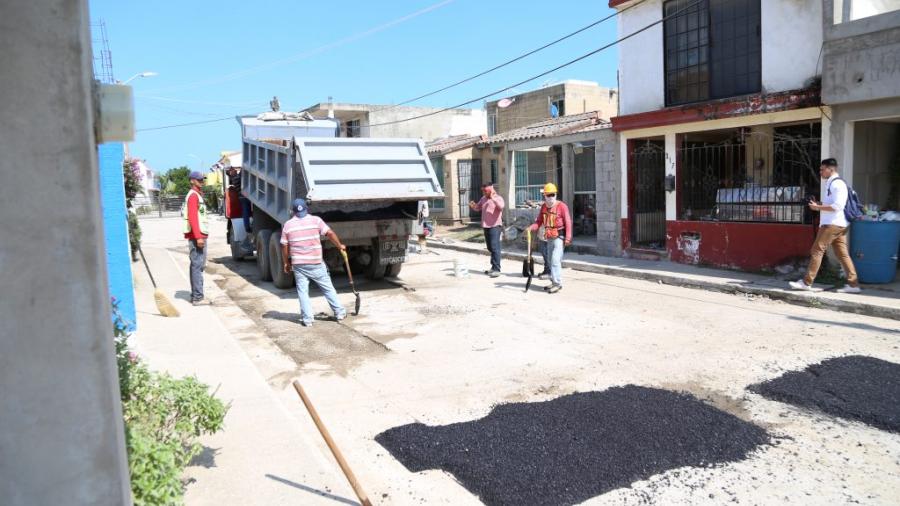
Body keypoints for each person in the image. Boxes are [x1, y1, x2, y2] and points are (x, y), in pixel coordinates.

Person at [789, 158, 861, 293]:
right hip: (838, 224)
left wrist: (818, 208)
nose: (820, 172)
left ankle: (806, 282)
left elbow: (837, 206)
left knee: (817, 250)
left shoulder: (837, 184)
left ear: (831, 169)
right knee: (842, 255)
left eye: (823, 169)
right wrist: (818, 203)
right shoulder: (831, 183)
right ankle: (853, 285)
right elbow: (832, 203)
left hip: (832, 224)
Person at [280, 198, 347, 326]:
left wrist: (286, 262)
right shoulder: (316, 220)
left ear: (293, 212)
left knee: (303, 292)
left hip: (299, 264)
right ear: (306, 209)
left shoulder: (288, 225)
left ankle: (307, 319)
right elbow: (330, 233)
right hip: (316, 262)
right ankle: (339, 312)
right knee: (327, 288)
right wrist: (340, 246)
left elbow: (284, 245)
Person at [528, 183, 572, 294]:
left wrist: (568, 238)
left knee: (555, 260)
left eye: (553, 194)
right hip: (549, 237)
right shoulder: (543, 207)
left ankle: (557, 283)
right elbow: (539, 222)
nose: (551, 197)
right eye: (549, 195)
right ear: (545, 196)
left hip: (559, 237)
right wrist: (531, 228)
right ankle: (553, 281)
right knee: (549, 260)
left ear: (556, 194)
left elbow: (568, 222)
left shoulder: (562, 206)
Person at [183, 171, 210, 306]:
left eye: (202, 180)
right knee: (197, 266)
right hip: (197, 236)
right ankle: (198, 297)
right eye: (199, 180)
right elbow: (193, 217)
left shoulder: (197, 195)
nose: (202, 182)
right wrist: (198, 237)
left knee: (196, 265)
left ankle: (196, 294)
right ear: (192, 181)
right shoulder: (193, 196)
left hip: (198, 235)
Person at [469, 182, 505, 277]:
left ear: (490, 190)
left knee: (494, 247)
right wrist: (473, 206)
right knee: (490, 247)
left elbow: (501, 207)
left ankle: (497, 269)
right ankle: (493, 267)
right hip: (486, 226)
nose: (484, 193)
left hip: (495, 226)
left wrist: (493, 198)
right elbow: (478, 208)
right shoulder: (483, 199)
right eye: (483, 191)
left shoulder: (498, 198)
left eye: (485, 191)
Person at [227, 166, 253, 240]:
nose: (234, 170)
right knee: (246, 212)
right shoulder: (235, 178)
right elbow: (242, 174)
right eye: (232, 170)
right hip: (244, 197)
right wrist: (243, 166)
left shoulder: (234, 178)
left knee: (246, 212)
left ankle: (247, 227)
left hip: (242, 198)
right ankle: (247, 227)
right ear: (230, 173)